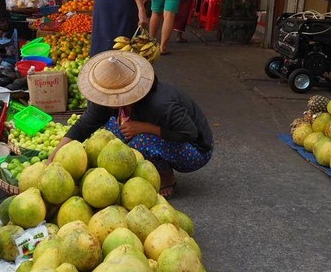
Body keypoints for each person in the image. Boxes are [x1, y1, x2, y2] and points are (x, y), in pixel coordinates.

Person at [50, 51, 213, 196]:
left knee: (140, 143)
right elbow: (82, 127)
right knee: (110, 133)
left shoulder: (160, 104)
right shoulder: (107, 102)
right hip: (165, 134)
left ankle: (166, 177)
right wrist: (52, 159)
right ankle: (142, 165)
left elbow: (190, 133)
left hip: (194, 149)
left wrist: (146, 128)